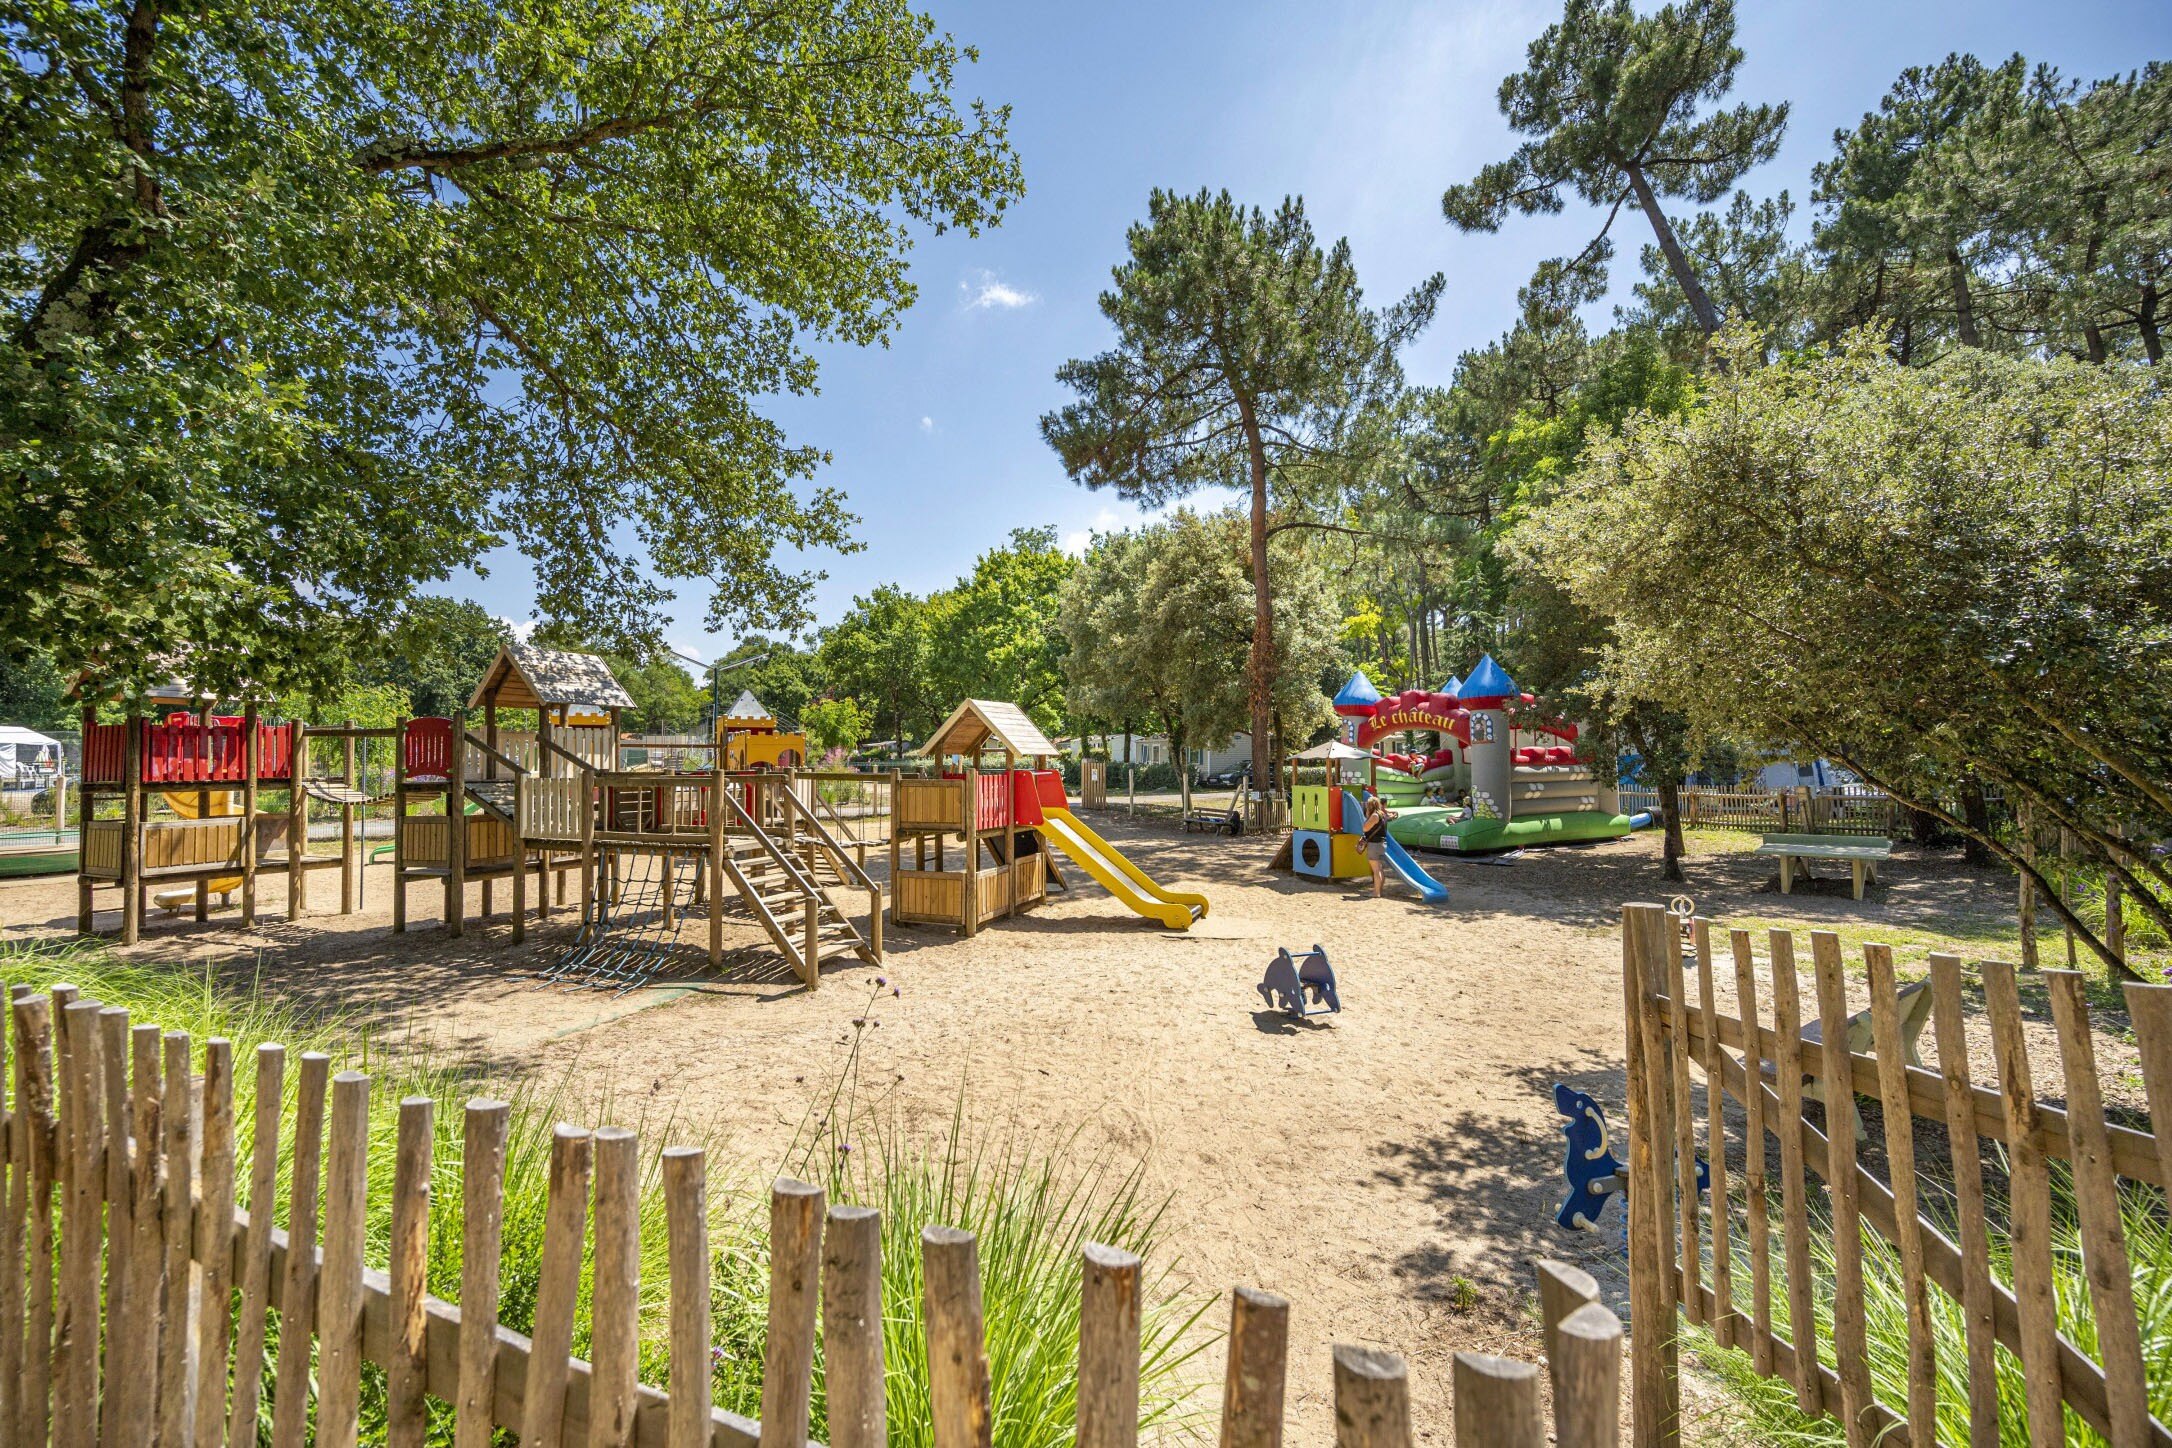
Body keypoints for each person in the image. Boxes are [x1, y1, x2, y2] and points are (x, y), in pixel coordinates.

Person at [1360, 784, 1395, 899]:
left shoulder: (1374, 815)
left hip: (1374, 845)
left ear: (1370, 806)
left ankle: (1376, 893)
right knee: (1379, 868)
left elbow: (1365, 828)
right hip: (1381, 844)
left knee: (1376, 870)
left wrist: (1367, 816)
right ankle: (1379, 890)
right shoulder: (1382, 814)